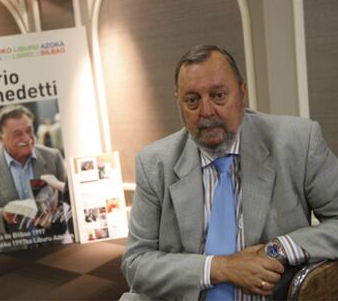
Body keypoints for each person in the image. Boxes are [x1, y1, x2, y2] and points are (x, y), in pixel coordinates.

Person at [121, 45, 338, 300]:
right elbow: (136, 263)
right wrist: (221, 267)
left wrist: (278, 249)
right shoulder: (155, 163)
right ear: (179, 103)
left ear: (243, 94)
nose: (207, 112)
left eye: (219, 95)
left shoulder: (298, 143)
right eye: (192, 100)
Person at [0, 105, 72, 252]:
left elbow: (69, 203)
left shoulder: (53, 157)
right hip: (9, 255)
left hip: (53, 248)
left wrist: (55, 214)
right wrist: (1, 215)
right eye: (17, 134)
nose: (27, 138)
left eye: (29, 131)